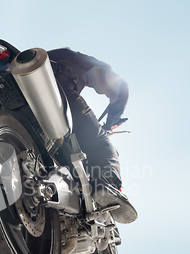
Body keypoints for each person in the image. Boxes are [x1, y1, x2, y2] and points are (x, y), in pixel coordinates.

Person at [48, 48, 138, 224]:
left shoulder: (44, 57)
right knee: (101, 143)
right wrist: (112, 120)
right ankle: (108, 184)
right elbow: (120, 89)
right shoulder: (82, 62)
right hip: (61, 96)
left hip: (17, 108)